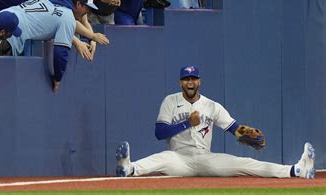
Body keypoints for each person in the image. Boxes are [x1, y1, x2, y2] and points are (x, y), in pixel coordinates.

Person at [115, 65, 316, 179]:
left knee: (244, 164)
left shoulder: (212, 106)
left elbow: (234, 129)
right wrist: (187, 123)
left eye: (194, 78)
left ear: (199, 81)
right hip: (178, 159)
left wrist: (246, 134)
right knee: (160, 158)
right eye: (186, 79)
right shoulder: (170, 101)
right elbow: (160, 133)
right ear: (180, 82)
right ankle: (128, 168)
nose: (190, 82)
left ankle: (296, 170)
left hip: (205, 158)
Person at [0, 0, 97, 92]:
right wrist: (57, 79)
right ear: (78, 4)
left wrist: (89, 37)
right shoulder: (67, 17)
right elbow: (61, 52)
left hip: (0, 16)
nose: (87, 13)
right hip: (10, 35)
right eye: (87, 8)